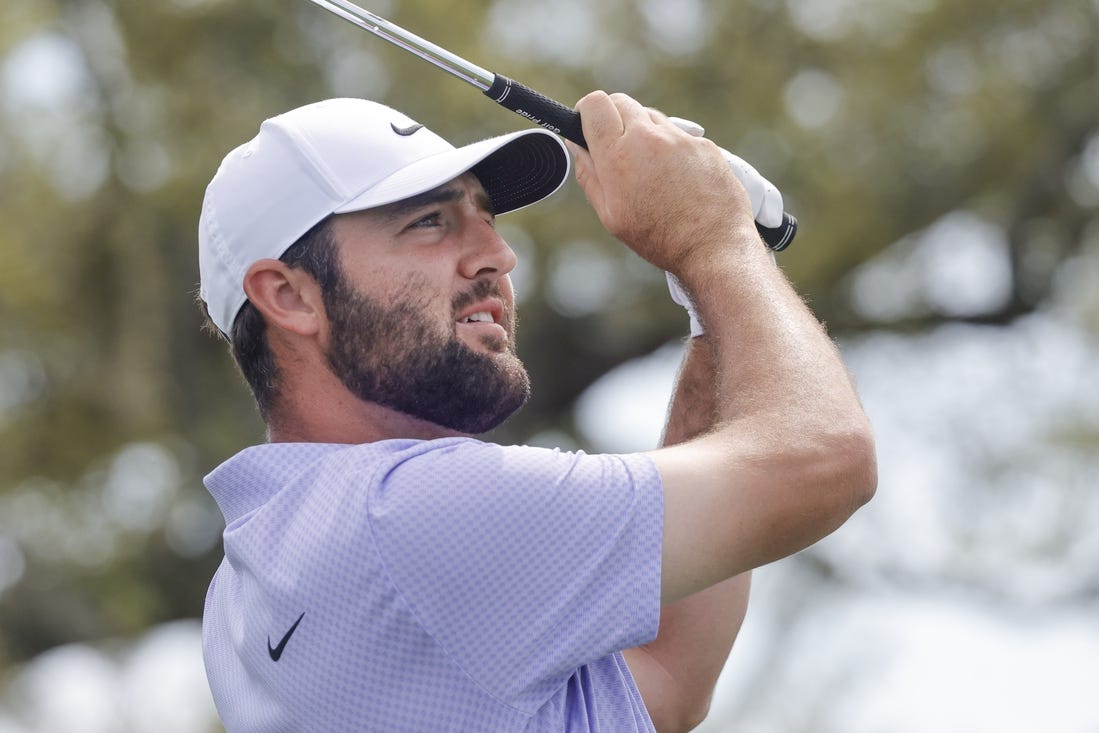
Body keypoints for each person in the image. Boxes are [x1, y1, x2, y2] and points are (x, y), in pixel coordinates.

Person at [196, 92, 876, 733]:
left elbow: (667, 675)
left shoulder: (242, 587)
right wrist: (714, 239)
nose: (497, 255)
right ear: (288, 296)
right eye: (428, 222)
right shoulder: (407, 513)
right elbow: (824, 457)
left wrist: (709, 303)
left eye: (485, 218)